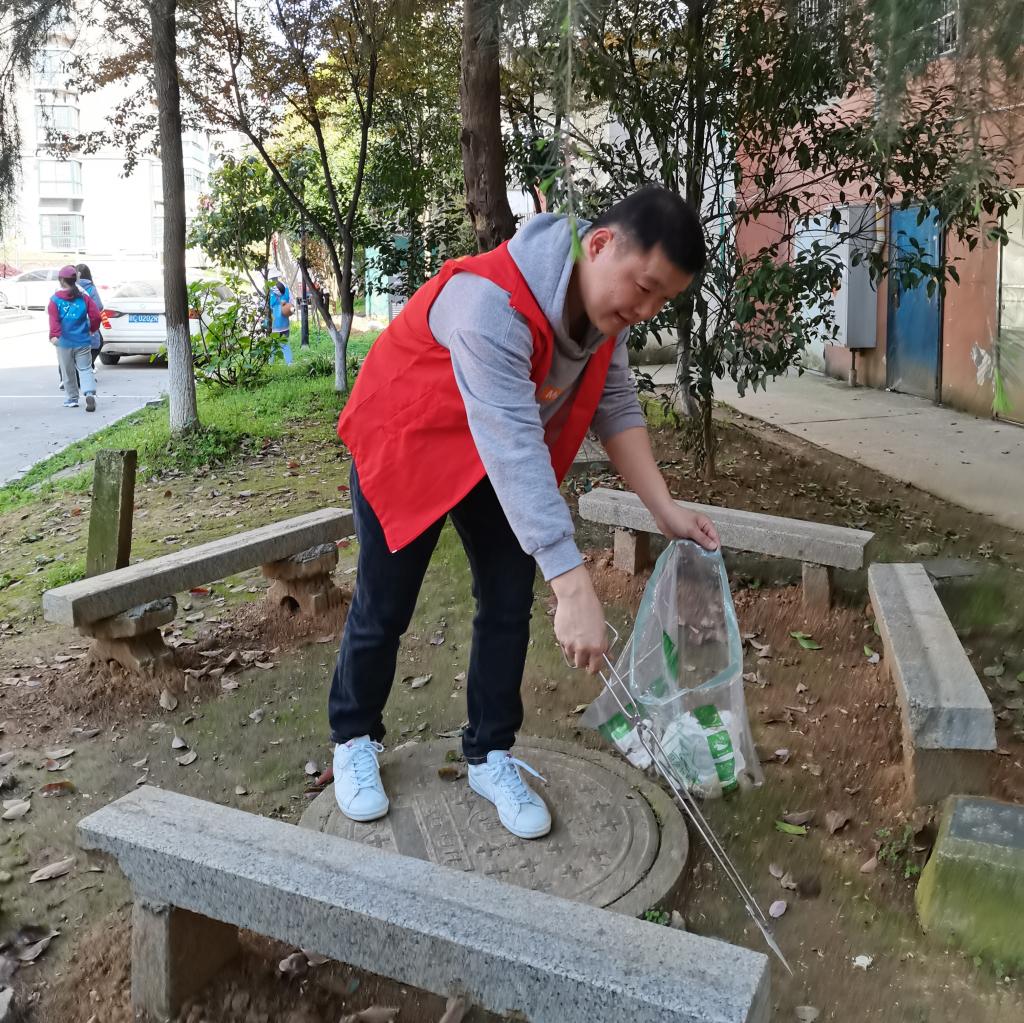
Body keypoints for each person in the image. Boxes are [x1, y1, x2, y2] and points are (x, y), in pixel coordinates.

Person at [330, 186, 720, 841]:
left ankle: (489, 752)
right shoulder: (490, 303)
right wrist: (574, 587)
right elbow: (513, 440)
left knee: (508, 603)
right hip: (410, 442)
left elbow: (614, 403)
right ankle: (353, 737)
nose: (646, 310)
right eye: (645, 288)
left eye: (663, 301)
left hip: (494, 463)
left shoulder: (606, 313)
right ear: (600, 245)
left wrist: (665, 510)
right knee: (384, 604)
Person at [48, 265, 101, 411]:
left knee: (68, 370)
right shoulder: (84, 298)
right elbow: (96, 316)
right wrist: (92, 329)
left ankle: (72, 398)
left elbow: (54, 320)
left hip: (63, 341)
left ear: (61, 280)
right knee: (85, 368)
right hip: (82, 340)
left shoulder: (55, 300)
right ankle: (89, 393)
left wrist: (54, 336)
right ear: (75, 280)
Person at [75, 263, 104, 370]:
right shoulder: (91, 288)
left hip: (71, 327)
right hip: (87, 324)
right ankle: (89, 366)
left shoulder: (68, 287)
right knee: (97, 344)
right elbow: (99, 306)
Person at [267, 274, 293, 364]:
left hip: (276, 325)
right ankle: (289, 362)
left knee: (273, 345)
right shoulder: (286, 290)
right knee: (285, 343)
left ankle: (270, 363)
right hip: (285, 323)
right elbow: (291, 302)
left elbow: (268, 306)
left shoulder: (271, 293)